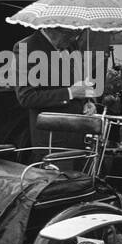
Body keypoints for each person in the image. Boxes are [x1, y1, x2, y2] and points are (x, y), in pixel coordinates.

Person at [12, 27, 109, 159]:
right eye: (69, 34)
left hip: (79, 137)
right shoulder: (26, 47)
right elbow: (26, 97)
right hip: (52, 141)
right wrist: (70, 93)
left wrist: (87, 101)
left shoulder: (70, 44)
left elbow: (77, 80)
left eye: (76, 34)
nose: (73, 38)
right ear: (51, 28)